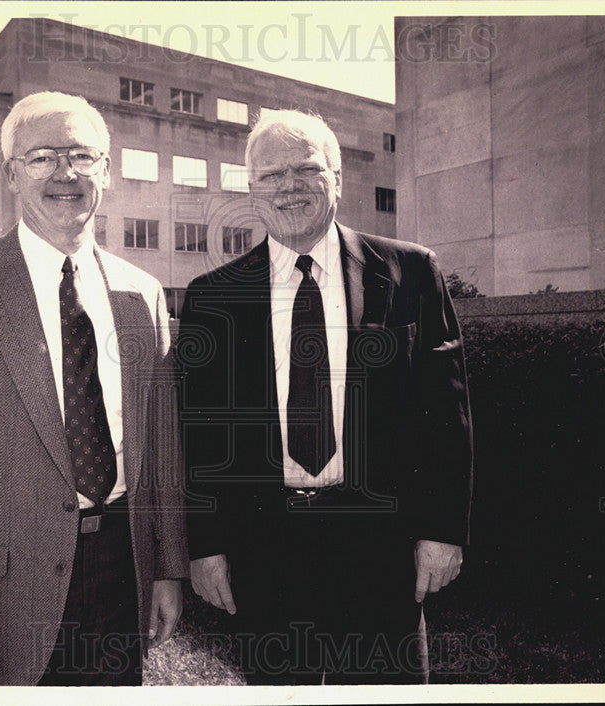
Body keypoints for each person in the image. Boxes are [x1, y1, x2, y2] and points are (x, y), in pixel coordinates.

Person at [0, 91, 187, 686]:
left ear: (106, 169)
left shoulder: (142, 294)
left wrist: (167, 568)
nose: (65, 173)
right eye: (43, 157)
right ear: (11, 175)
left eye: (81, 156)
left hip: (122, 570)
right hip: (4, 592)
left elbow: (162, 450)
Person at [177, 110, 472, 685]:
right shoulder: (212, 297)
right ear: (250, 188)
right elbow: (199, 433)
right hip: (266, 547)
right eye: (270, 175)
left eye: (307, 168)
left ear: (338, 178)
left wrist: (443, 531)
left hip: (381, 544)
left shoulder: (410, 272)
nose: (289, 186)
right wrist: (205, 546)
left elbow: (447, 413)